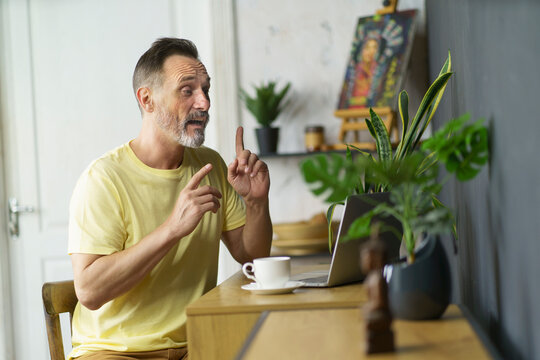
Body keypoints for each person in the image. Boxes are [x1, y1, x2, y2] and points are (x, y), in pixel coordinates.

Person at [67, 37, 272, 360]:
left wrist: (258, 201)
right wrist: (172, 228)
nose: (204, 103)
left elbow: (253, 257)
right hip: (115, 351)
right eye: (187, 90)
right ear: (147, 100)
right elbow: (89, 291)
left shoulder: (211, 165)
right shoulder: (104, 179)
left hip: (195, 344)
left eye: (206, 89)